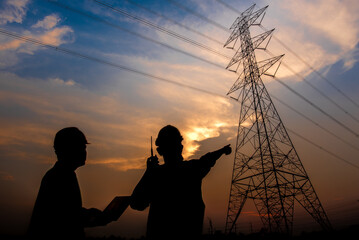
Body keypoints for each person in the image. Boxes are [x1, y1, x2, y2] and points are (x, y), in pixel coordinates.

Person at [130, 125, 232, 240]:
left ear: (159, 151)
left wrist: (148, 173)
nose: (181, 146)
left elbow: (136, 203)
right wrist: (222, 151)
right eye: (178, 143)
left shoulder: (156, 176)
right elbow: (207, 160)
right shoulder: (190, 170)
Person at [28, 127, 121, 239]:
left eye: (84, 147)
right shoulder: (60, 176)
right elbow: (66, 216)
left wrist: (94, 215)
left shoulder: (63, 174)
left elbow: (69, 212)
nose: (84, 152)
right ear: (68, 149)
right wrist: (97, 217)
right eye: (81, 147)